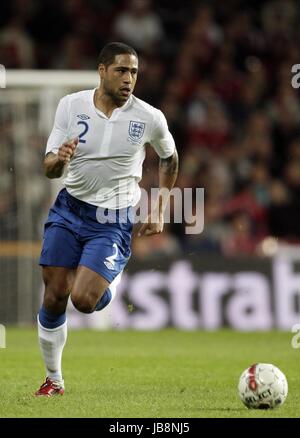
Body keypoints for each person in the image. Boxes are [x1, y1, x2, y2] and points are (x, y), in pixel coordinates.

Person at [35, 42, 178, 396]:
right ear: (102, 70)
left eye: (134, 72)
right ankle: (54, 380)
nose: (129, 79)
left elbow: (169, 158)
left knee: (83, 300)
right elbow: (49, 168)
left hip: (112, 218)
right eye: (121, 70)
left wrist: (159, 208)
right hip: (69, 208)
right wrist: (61, 159)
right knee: (55, 294)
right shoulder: (71, 106)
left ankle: (107, 281)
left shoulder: (149, 117)